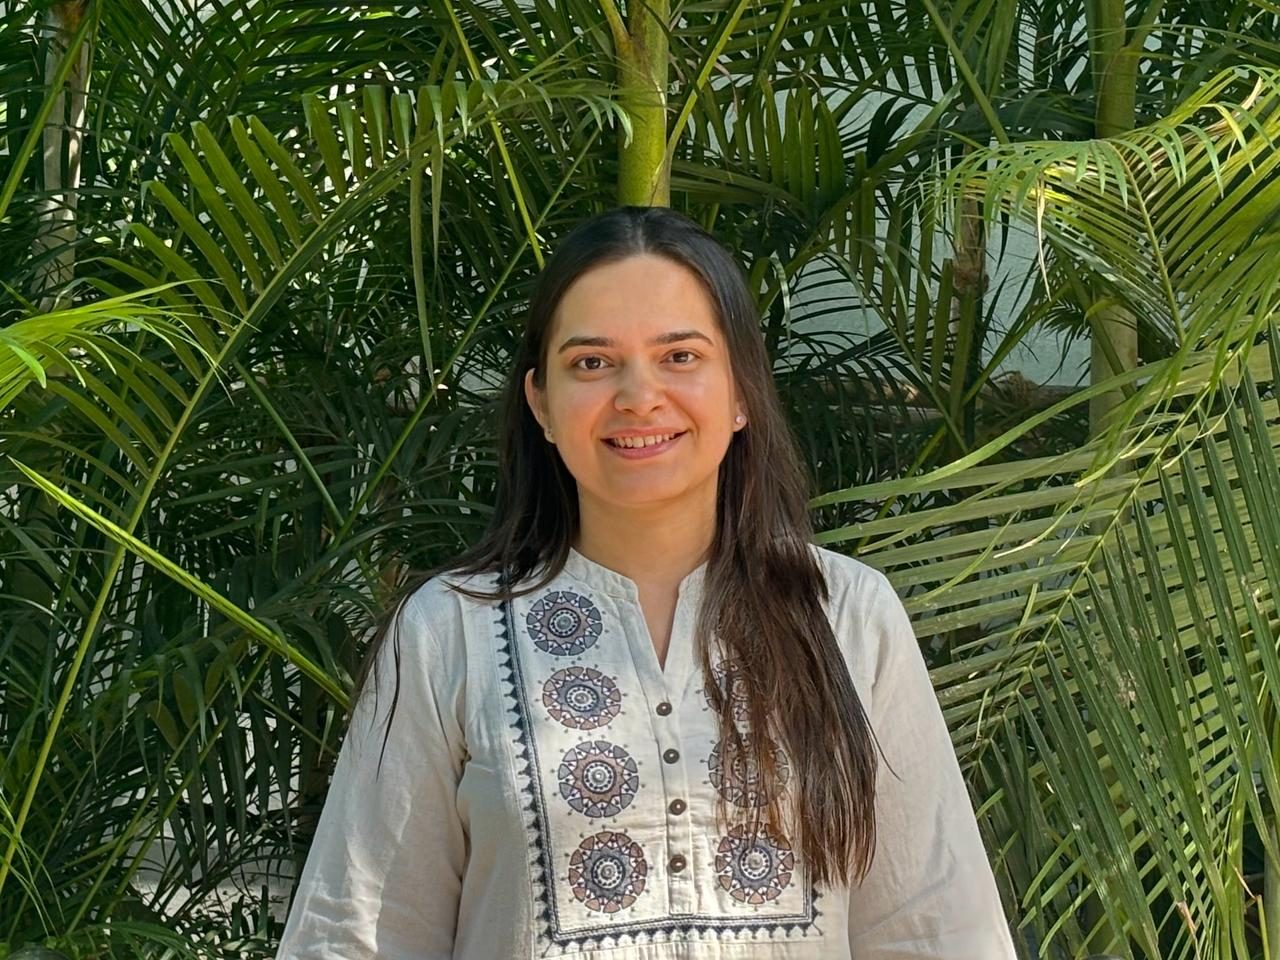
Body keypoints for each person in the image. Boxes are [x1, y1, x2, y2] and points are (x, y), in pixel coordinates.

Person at [274, 206, 1019, 959]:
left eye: (681, 356)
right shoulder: (449, 632)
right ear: (541, 403)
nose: (638, 395)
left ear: (742, 393)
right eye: (591, 364)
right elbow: (358, 936)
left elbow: (936, 927)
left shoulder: (848, 616)